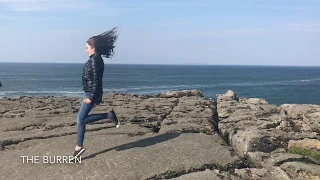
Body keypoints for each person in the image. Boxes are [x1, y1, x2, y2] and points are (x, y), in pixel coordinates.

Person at [72, 27, 120, 158]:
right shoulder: (96, 59)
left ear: (93, 47)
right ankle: (78, 148)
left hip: (91, 94)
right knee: (81, 120)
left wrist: (92, 97)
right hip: (91, 93)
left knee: (80, 120)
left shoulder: (94, 60)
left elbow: (97, 80)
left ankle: (79, 148)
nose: (85, 50)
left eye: (86, 47)